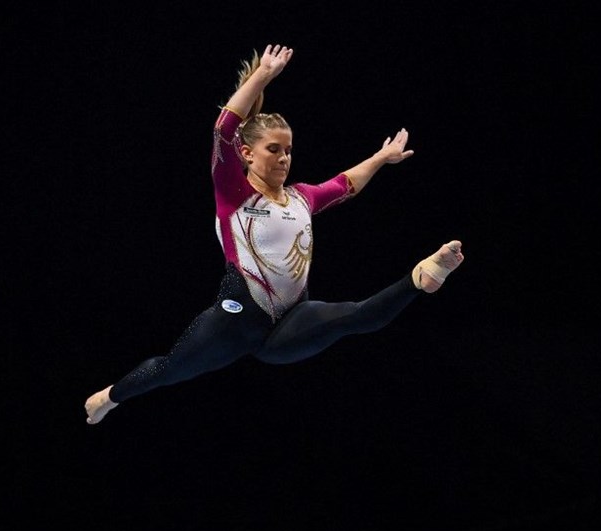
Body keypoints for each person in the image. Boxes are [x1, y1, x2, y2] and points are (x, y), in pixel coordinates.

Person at [85, 44, 464, 425]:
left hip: (289, 325)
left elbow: (344, 184)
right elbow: (223, 130)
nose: (284, 158)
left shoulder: (302, 198)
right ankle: (110, 397)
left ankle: (421, 277)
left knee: (354, 316)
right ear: (247, 154)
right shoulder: (234, 192)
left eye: (289, 150)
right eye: (274, 149)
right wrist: (263, 74)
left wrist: (381, 158)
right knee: (170, 369)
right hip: (236, 321)